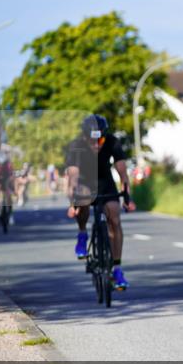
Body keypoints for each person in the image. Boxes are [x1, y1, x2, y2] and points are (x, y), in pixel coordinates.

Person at [64, 114, 135, 290]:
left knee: (115, 218)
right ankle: (82, 234)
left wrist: (126, 197)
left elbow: (122, 172)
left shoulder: (112, 142)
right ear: (84, 137)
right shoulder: (76, 146)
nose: (97, 145)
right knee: (83, 200)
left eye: (100, 140)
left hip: (105, 183)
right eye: (92, 141)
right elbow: (73, 177)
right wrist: (73, 202)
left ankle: (117, 269)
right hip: (84, 183)